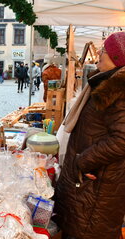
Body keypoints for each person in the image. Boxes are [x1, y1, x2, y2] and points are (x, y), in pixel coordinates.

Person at [54, 31, 125, 239]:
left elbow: (122, 139)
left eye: (105, 50)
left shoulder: (118, 89)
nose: (100, 53)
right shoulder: (106, 82)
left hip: (97, 184)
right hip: (90, 183)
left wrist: (83, 161)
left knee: (87, 231)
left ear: (116, 58)